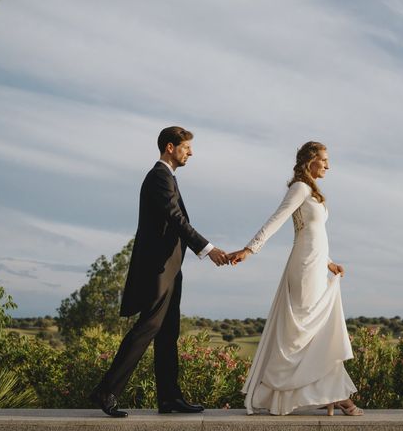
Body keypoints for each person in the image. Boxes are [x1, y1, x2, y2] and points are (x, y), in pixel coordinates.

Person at [90, 126, 230, 417]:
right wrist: (208, 249)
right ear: (170, 147)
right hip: (159, 268)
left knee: (168, 333)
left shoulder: (167, 178)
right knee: (149, 327)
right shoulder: (158, 177)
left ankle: (169, 399)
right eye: (186, 147)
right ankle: (107, 391)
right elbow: (176, 218)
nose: (191, 152)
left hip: (170, 267)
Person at [228, 141, 363, 416]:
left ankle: (332, 394)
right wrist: (250, 248)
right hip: (303, 268)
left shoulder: (312, 191)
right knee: (302, 333)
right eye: (324, 160)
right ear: (309, 161)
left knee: (317, 330)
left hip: (315, 265)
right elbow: (277, 219)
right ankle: (331, 396)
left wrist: (329, 263)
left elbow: (314, 235)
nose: (328, 165)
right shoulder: (300, 188)